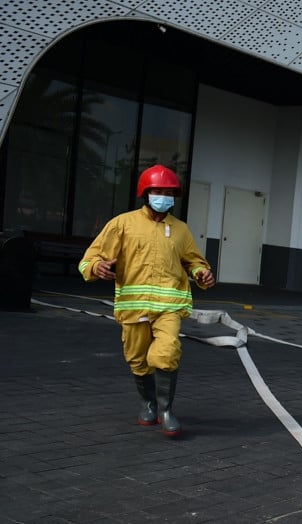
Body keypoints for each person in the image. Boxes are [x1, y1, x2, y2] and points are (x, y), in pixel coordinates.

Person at [79, 164, 215, 437]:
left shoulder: (180, 230)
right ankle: (148, 403)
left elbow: (193, 261)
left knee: (166, 354)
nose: (164, 197)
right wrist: (96, 268)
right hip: (134, 307)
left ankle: (166, 411)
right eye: (159, 191)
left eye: (169, 192)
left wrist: (202, 273)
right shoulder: (122, 224)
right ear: (146, 193)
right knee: (137, 359)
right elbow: (89, 259)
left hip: (168, 308)